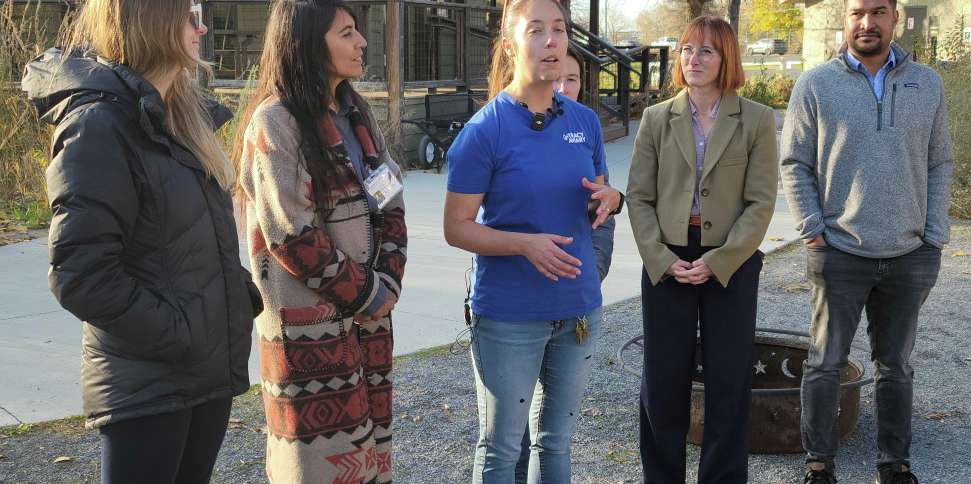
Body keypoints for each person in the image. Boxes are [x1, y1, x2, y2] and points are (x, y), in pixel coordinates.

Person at [22, 1, 262, 482]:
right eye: (190, 15)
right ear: (153, 22)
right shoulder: (98, 125)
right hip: (147, 387)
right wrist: (181, 333)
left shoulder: (183, 119)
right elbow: (80, 275)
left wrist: (236, 298)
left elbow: (194, 238)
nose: (202, 26)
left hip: (204, 376)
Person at [443, 0, 623, 481]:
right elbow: (456, 227)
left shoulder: (583, 121)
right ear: (510, 44)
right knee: (502, 449)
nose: (551, 40)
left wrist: (611, 198)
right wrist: (525, 245)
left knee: (556, 444)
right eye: (536, 30)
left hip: (579, 309)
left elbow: (596, 197)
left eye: (560, 29)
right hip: (509, 315)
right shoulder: (485, 131)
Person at [232, 1, 407, 482]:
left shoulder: (357, 115)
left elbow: (390, 199)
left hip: (369, 320)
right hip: (308, 331)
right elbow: (290, 234)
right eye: (347, 33)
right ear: (309, 42)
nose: (362, 43)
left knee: (368, 459)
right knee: (316, 467)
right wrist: (370, 294)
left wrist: (388, 280)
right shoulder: (276, 122)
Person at [781, 0, 953, 482]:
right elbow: (795, 162)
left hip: (909, 253)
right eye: (858, 12)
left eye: (878, 12)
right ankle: (819, 464)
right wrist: (813, 228)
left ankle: (894, 464)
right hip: (839, 251)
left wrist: (934, 234)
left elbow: (940, 160)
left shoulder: (928, 84)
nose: (867, 22)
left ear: (894, 18)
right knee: (825, 363)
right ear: (845, 18)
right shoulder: (816, 84)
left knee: (896, 366)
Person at [626, 15, 778, 484]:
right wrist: (662, 259)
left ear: (725, 58)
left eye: (706, 51)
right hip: (667, 258)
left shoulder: (755, 119)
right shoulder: (656, 118)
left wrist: (718, 261)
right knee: (663, 381)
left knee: (729, 380)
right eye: (687, 49)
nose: (693, 59)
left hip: (730, 260)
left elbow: (760, 201)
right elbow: (639, 197)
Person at [512, 45, 617, 484]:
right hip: (514, 306)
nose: (562, 87)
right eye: (557, 80)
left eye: (571, 80)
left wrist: (587, 267)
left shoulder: (585, 129)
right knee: (508, 434)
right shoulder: (505, 125)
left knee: (553, 435)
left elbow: (602, 209)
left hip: (572, 300)